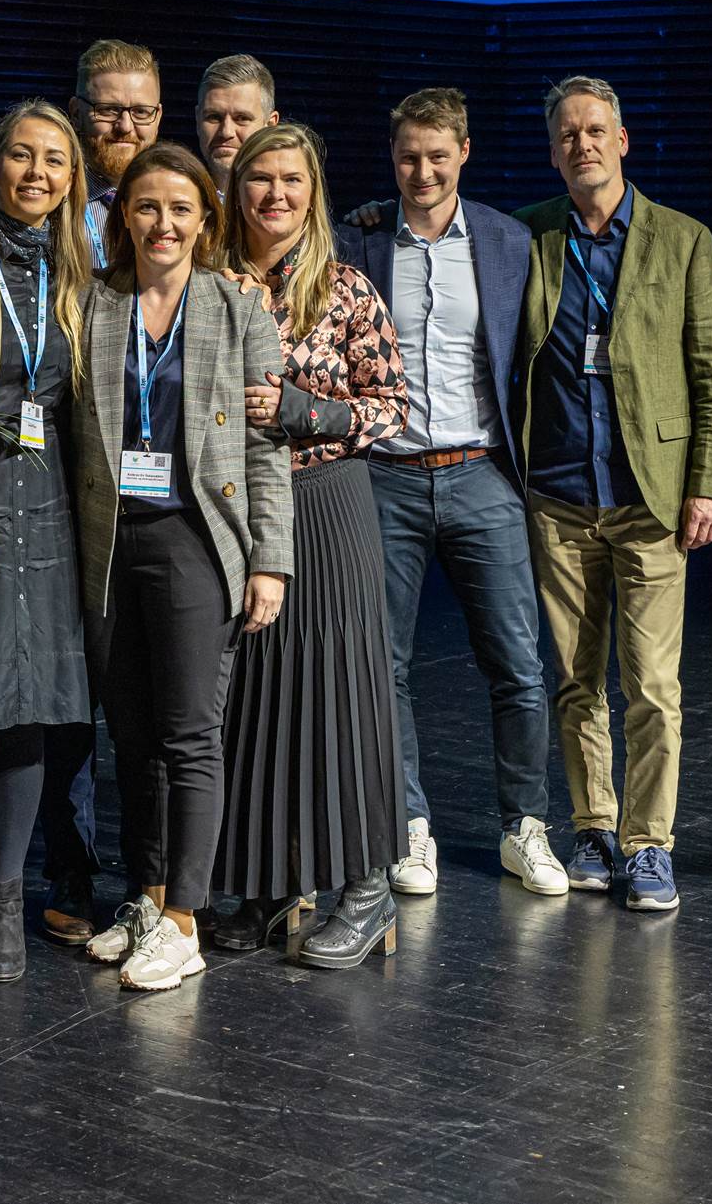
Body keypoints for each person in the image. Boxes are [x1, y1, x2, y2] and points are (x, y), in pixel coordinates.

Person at [72, 141, 293, 991]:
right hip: (109, 540)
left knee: (191, 733)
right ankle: (146, 893)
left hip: (198, 540)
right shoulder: (93, 304)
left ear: (207, 219)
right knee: (129, 734)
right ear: (123, 215)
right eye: (147, 206)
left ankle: (184, 918)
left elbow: (267, 448)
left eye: (181, 209)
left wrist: (269, 562)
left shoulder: (239, 308)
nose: (163, 224)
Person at [515, 76, 712, 913]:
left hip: (652, 499)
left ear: (624, 140)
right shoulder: (532, 235)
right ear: (553, 150)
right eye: (568, 134)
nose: (583, 144)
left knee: (650, 684)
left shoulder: (683, 239)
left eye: (596, 130)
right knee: (575, 681)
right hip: (560, 495)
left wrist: (709, 484)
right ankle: (594, 826)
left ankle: (651, 845)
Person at [334, 88, 560, 900]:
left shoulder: (508, 239)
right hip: (385, 477)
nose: (422, 171)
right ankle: (408, 825)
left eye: (437, 155)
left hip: (481, 475)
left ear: (464, 151)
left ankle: (525, 826)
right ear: (391, 158)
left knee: (518, 665)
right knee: (382, 666)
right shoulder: (356, 238)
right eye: (407, 157)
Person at [215, 123, 409, 968]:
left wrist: (307, 411)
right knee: (254, 703)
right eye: (260, 179)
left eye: (291, 179)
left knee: (341, 696)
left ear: (313, 189)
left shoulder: (346, 288)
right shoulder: (211, 282)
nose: (276, 195)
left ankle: (368, 891)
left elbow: (392, 407)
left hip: (326, 505)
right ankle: (268, 888)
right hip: (233, 508)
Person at [0, 100, 96, 982]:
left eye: (55, 161)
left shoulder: (85, 267)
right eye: (21, 157)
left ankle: (8, 894)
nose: (37, 174)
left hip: (55, 498)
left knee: (33, 700)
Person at [69, 39, 164, 269]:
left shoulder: (183, 205)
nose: (125, 126)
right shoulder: (52, 203)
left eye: (141, 112)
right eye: (108, 110)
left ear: (157, 118)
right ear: (76, 113)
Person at [195, 54, 280, 194]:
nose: (226, 132)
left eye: (241, 118)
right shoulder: (173, 205)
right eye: (214, 117)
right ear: (198, 120)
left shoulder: (288, 208)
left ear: (270, 126)